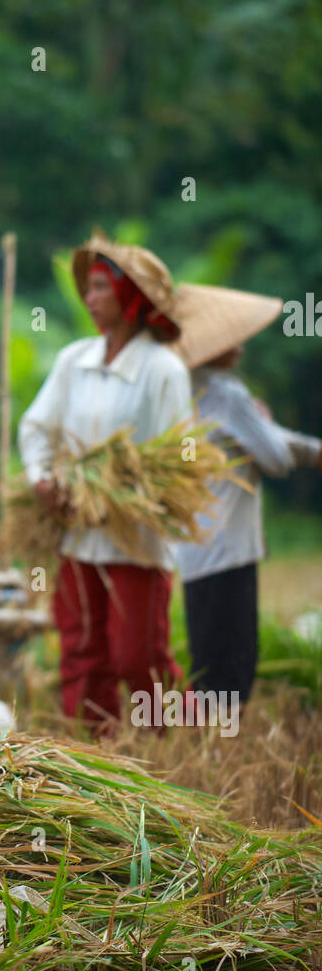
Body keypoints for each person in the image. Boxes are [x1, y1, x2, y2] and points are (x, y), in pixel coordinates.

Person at [18, 232, 192, 737]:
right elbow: (37, 428)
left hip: (134, 540)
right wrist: (42, 479)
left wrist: (122, 492)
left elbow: (179, 456)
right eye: (88, 288)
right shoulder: (75, 360)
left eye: (100, 287)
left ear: (130, 297)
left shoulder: (164, 370)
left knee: (137, 655)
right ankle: (96, 750)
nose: (88, 297)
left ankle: (163, 745)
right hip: (75, 534)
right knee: (81, 649)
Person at [172, 283, 322, 705]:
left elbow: (266, 442)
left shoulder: (183, 387)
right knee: (232, 667)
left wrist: (299, 445)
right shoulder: (228, 392)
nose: (240, 343)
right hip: (230, 550)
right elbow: (275, 457)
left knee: (208, 658)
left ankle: (205, 744)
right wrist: (266, 421)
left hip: (193, 549)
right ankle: (213, 744)